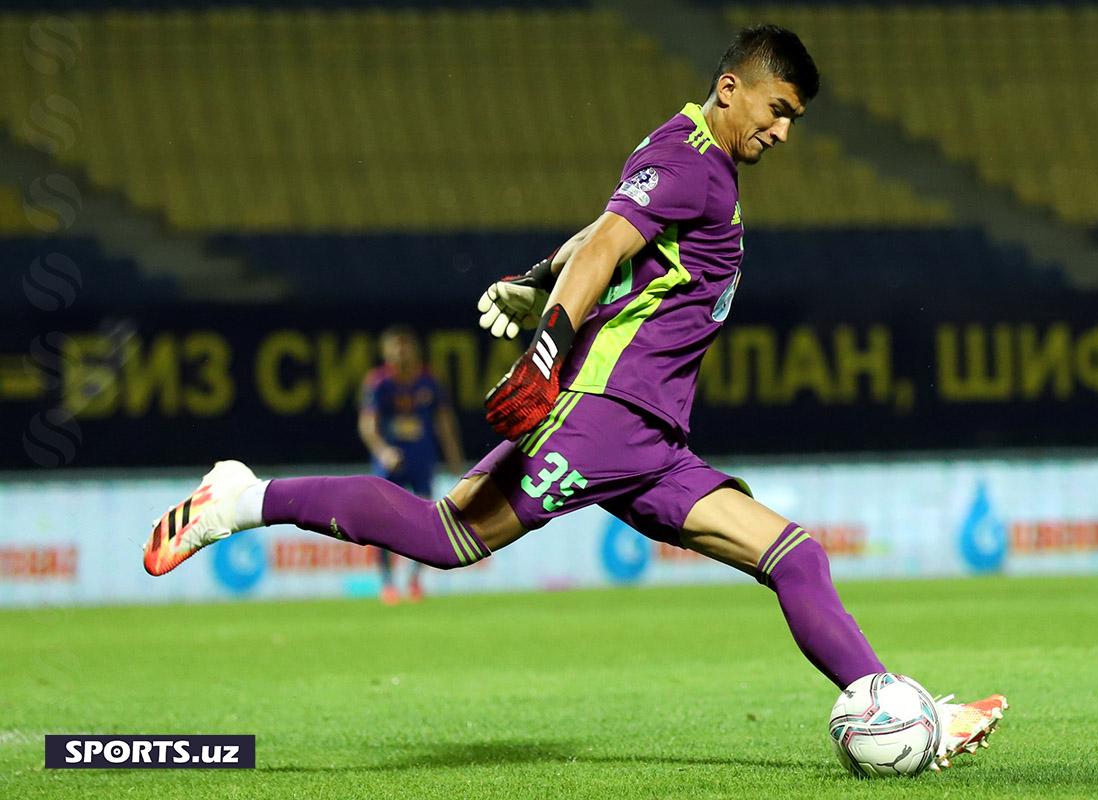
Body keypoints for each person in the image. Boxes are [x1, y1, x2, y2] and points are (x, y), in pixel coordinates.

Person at [142, 24, 1005, 771]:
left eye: (795, 120)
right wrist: (548, 344)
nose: (782, 129)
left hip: (650, 439)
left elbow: (601, 233)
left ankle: (909, 716)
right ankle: (243, 498)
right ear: (731, 87)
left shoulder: (683, 151)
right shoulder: (692, 162)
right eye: (775, 108)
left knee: (796, 558)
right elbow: (606, 251)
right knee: (449, 536)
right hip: (603, 414)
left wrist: (533, 277)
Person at [358, 326, 465, 603]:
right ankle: (387, 583)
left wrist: (453, 457)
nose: (400, 352)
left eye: (405, 346)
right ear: (386, 351)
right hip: (391, 462)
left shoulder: (429, 382)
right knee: (382, 522)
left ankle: (415, 580)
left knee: (425, 520)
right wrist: (382, 451)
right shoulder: (378, 382)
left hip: (421, 459)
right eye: (395, 346)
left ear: (414, 350)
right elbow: (368, 425)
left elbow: (444, 421)